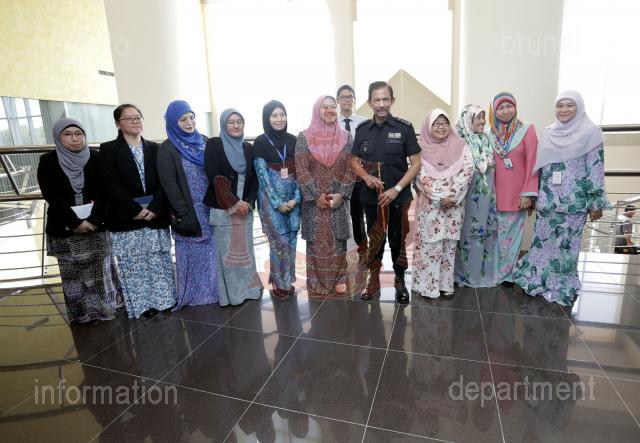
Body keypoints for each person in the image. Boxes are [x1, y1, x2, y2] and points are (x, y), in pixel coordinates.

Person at [513, 90, 610, 307]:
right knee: (542, 244)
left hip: (574, 202)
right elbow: (540, 167)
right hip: (548, 200)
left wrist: (596, 203)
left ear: (579, 107)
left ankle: (560, 285)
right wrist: (534, 195)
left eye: (569, 105)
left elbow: (596, 169)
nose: (564, 110)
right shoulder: (548, 132)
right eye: (560, 105)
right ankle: (538, 281)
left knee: (566, 246)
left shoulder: (591, 133)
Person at [37, 118, 119, 324]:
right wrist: (75, 222)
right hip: (64, 229)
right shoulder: (47, 161)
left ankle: (103, 310)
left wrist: (93, 220)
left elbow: (105, 192)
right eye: (68, 134)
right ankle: (81, 315)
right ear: (58, 137)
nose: (75, 138)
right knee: (72, 277)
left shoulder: (97, 157)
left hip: (96, 226)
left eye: (79, 134)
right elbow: (52, 196)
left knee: (100, 273)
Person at [100, 104, 177, 319]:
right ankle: (143, 306)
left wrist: (154, 208)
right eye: (129, 118)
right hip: (126, 217)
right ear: (118, 124)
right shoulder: (108, 150)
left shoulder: (155, 148)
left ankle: (165, 301)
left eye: (138, 118)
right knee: (133, 263)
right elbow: (111, 184)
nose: (135, 122)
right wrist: (135, 210)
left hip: (155, 215)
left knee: (159, 259)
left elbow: (164, 181)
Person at [350, 81, 421, 303]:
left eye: (385, 99)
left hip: (398, 198)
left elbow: (416, 164)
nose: (381, 104)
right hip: (371, 198)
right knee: (375, 240)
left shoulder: (404, 128)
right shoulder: (362, 130)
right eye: (377, 100)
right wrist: (366, 176)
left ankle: (400, 281)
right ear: (370, 102)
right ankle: (374, 279)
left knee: (397, 240)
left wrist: (396, 189)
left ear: (392, 101)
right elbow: (353, 161)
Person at [157, 100, 218, 310]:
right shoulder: (167, 148)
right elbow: (169, 185)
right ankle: (194, 294)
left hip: (210, 205)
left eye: (191, 118)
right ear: (173, 122)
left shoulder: (204, 141)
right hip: (188, 209)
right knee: (193, 250)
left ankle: (214, 291)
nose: (189, 123)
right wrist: (183, 212)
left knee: (212, 250)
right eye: (183, 119)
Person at [295, 95, 354, 296]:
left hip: (338, 200)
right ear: (316, 111)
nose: (329, 110)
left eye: (332, 106)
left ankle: (339, 278)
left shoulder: (346, 137)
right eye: (324, 107)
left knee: (338, 240)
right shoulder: (304, 137)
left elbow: (352, 168)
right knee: (317, 243)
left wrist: (341, 194)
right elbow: (302, 169)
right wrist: (315, 196)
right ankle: (317, 281)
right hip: (314, 202)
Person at [412, 109, 474, 299]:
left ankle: (446, 284)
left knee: (449, 243)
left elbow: (468, 170)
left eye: (444, 123)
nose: (441, 127)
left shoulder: (461, 145)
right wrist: (440, 197)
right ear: (428, 126)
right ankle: (427, 286)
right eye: (436, 124)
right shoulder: (419, 147)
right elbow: (419, 175)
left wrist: (452, 196)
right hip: (430, 204)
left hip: (454, 203)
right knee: (429, 244)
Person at [204, 108, 263, 306]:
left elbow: (254, 179)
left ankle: (249, 290)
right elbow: (214, 176)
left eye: (239, 121)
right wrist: (235, 203)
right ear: (223, 124)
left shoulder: (247, 147)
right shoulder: (214, 144)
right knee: (227, 255)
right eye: (231, 122)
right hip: (223, 208)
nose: (236, 125)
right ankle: (232, 296)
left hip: (245, 208)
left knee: (246, 251)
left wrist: (248, 202)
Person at [487, 92, 539, 286]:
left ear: (516, 107)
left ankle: (507, 275)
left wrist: (528, 193)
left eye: (509, 106)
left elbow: (533, 162)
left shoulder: (527, 129)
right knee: (494, 237)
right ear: (494, 111)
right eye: (500, 107)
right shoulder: (489, 133)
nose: (505, 111)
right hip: (492, 195)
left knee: (512, 237)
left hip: (517, 195)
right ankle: (493, 272)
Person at [253, 100, 301, 299]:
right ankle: (279, 284)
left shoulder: (294, 140)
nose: (279, 119)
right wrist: (277, 203)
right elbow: (262, 177)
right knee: (278, 243)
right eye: (274, 115)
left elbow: (301, 173)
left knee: (290, 242)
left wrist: (296, 199)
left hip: (293, 202)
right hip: (271, 204)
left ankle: (287, 281)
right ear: (267, 118)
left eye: (282, 114)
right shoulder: (260, 142)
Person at [454, 104, 499, 288]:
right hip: (469, 195)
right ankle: (465, 273)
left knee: (484, 231)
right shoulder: (460, 141)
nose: (482, 121)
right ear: (467, 120)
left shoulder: (486, 138)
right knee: (468, 231)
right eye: (477, 118)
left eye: (483, 117)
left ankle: (481, 273)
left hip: (487, 195)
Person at [337, 84, 368, 257]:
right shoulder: (332, 123)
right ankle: (339, 254)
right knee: (339, 216)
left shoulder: (364, 122)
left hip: (358, 176)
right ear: (338, 100)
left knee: (358, 216)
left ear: (354, 100)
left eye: (350, 97)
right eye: (343, 97)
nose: (347, 100)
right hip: (338, 177)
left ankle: (363, 250)